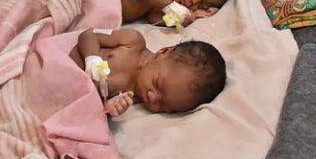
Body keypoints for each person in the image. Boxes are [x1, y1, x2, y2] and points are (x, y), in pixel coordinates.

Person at [72, 29, 227, 114]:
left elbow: (94, 111)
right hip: (63, 62)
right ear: (164, 52)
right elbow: (88, 35)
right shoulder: (132, 42)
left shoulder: (131, 98)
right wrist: (92, 60)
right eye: (157, 84)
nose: (152, 98)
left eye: (163, 105)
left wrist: (109, 108)